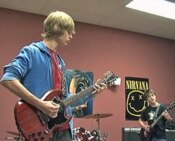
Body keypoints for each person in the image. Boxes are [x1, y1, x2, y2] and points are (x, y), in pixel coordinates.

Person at [0, 11, 106, 141]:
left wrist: (92, 92)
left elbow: (65, 100)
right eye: (69, 31)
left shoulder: (61, 62)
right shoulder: (32, 52)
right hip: (40, 128)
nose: (72, 35)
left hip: (63, 129)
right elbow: (8, 79)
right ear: (56, 27)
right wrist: (40, 104)